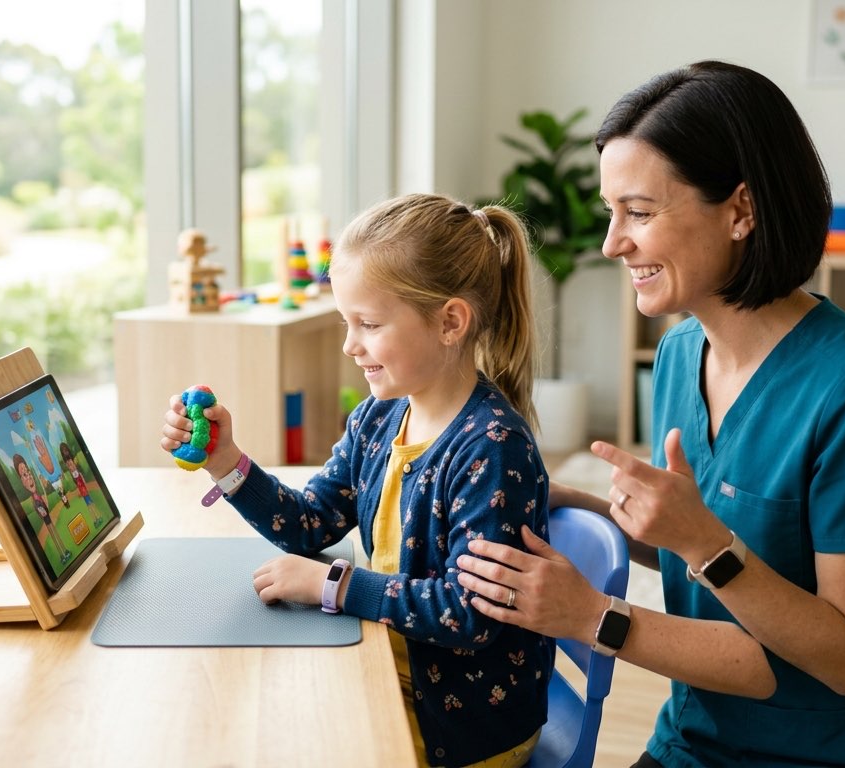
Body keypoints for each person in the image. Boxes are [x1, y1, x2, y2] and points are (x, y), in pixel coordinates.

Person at [453, 61, 845, 767]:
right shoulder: (682, 352)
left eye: (640, 212)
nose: (611, 243)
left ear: (742, 211)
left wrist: (592, 615)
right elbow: (717, 552)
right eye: (610, 211)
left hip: (839, 753)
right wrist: (576, 504)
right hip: (697, 738)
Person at [161, 193, 554, 767]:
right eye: (348, 322)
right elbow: (309, 523)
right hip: (392, 660)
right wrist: (226, 460)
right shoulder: (380, 417)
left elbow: (469, 615)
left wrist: (334, 587)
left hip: (465, 723)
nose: (350, 345)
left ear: (450, 322)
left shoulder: (491, 447)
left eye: (368, 324)